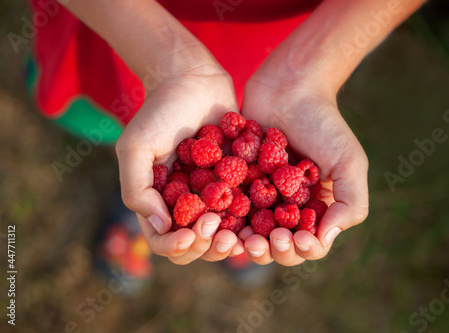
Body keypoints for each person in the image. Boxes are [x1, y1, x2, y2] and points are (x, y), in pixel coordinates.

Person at [29, 0, 425, 267]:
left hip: (288, 40)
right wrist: (170, 63)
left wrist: (307, 73)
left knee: (151, 154)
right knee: (125, 128)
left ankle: (222, 228)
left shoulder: (252, 166)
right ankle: (138, 206)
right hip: (124, 24)